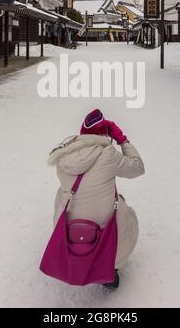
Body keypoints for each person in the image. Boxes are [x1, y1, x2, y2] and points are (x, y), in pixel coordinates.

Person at [48, 109, 145, 288]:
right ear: (104, 134)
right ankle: (111, 266)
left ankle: (71, 253)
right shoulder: (108, 154)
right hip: (103, 236)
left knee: (62, 192)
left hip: (68, 232)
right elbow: (138, 168)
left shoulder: (63, 156)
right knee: (123, 209)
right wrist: (122, 139)